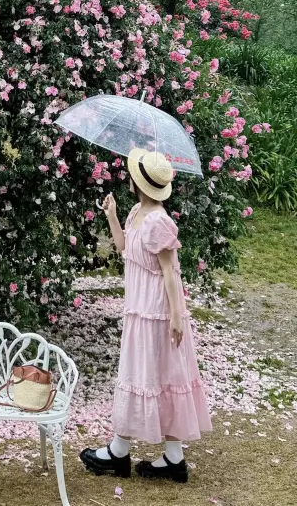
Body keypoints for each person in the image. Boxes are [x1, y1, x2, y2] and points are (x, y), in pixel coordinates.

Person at [80, 148, 212, 484]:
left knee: (152, 376)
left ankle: (120, 452)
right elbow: (124, 249)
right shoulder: (138, 212)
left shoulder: (159, 222)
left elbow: (169, 273)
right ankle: (172, 458)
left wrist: (177, 318)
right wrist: (111, 214)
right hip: (139, 309)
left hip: (157, 312)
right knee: (153, 375)